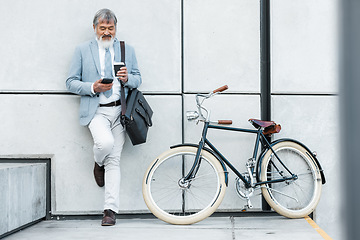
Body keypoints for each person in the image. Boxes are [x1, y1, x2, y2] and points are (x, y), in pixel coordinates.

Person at [66, 8, 141, 226]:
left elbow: (138, 79)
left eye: (111, 28)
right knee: (105, 144)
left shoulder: (127, 49)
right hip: (96, 110)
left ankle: (110, 210)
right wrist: (93, 86)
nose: (107, 32)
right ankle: (98, 163)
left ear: (115, 28)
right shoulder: (82, 50)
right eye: (103, 28)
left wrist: (127, 79)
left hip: (120, 111)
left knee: (115, 160)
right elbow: (70, 81)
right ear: (95, 28)